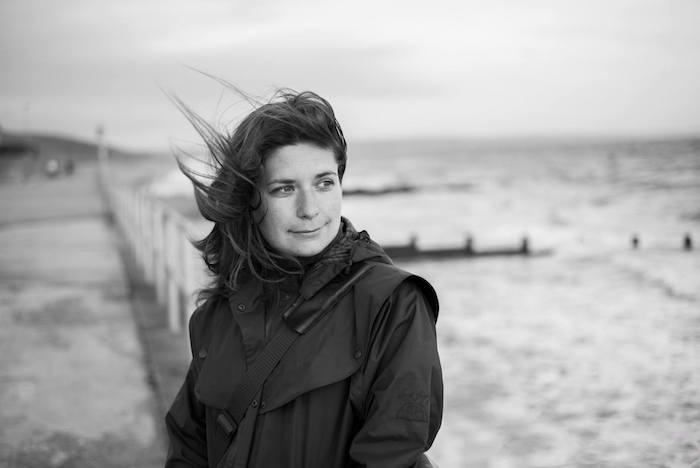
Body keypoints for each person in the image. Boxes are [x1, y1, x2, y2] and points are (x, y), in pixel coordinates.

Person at [165, 88, 443, 468]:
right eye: (285, 188)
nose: (310, 209)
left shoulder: (392, 305)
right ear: (250, 199)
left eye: (324, 183)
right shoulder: (217, 314)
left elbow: (391, 455)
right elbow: (188, 445)